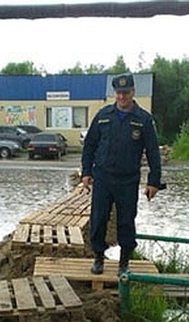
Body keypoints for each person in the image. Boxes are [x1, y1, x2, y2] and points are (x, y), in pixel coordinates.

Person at [81, 73, 162, 275]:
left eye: (126, 93)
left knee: (126, 221)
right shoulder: (103, 116)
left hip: (127, 180)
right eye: (118, 93)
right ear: (114, 94)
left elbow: (153, 152)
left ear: (133, 92)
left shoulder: (143, 120)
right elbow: (89, 145)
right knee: (98, 219)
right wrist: (86, 172)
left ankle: (124, 262)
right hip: (103, 178)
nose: (122, 97)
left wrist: (154, 182)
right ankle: (98, 257)